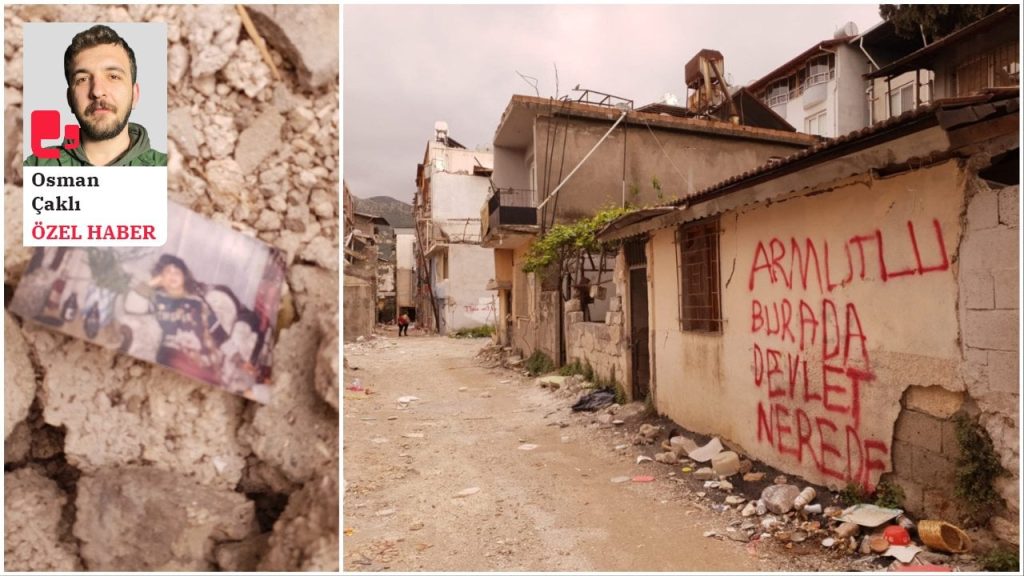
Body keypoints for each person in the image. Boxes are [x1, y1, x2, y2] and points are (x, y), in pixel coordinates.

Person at [24, 24, 167, 166]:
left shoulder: (167, 172)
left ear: (134, 95)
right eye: (83, 79)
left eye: (113, 76)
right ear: (69, 99)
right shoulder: (35, 166)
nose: (97, 91)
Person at [140, 254, 227, 384]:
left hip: (199, 363)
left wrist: (240, 360)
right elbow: (132, 307)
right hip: (170, 358)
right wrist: (152, 283)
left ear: (184, 277)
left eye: (177, 272)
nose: (173, 276)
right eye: (168, 272)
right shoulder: (157, 298)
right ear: (161, 276)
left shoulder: (197, 302)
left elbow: (219, 333)